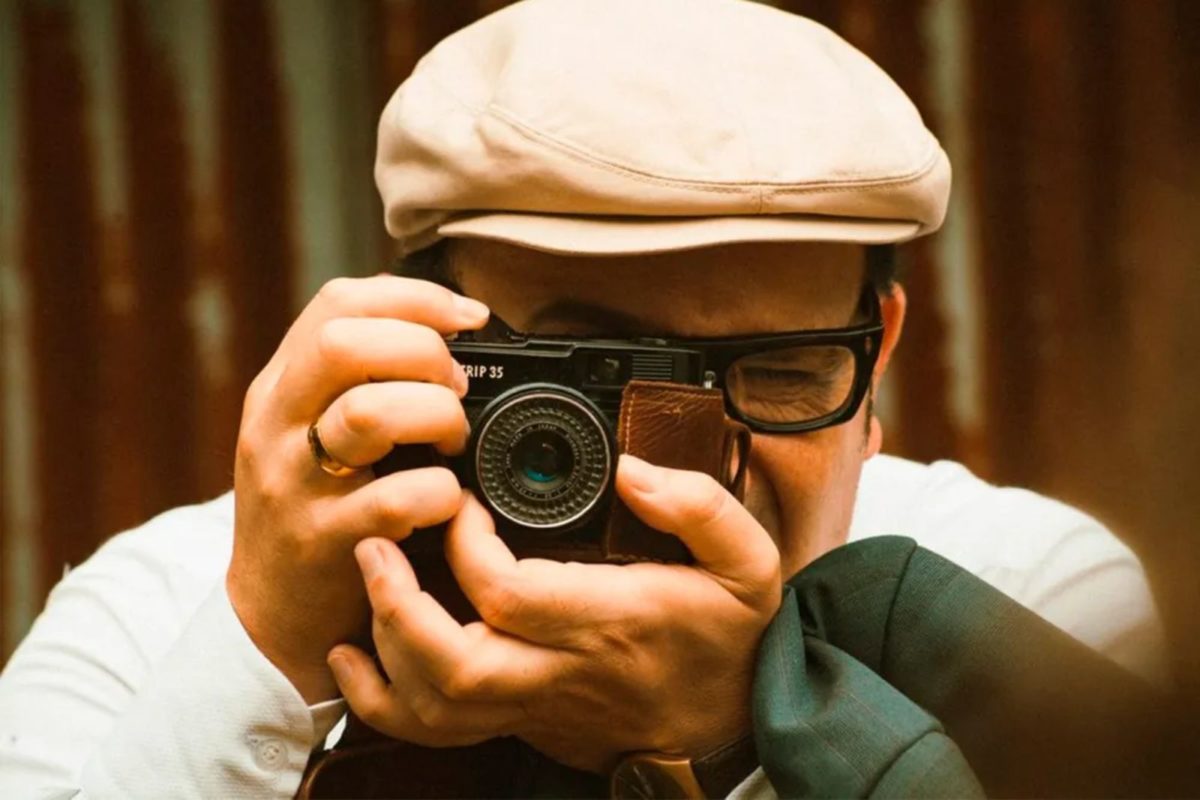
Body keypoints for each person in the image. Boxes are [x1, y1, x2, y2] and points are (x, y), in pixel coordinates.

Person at [0, 0, 1167, 797]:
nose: (687, 462)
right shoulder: (160, 614)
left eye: (779, 370)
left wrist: (740, 736)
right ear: (422, 337)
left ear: (880, 360)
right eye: (586, 379)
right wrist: (260, 658)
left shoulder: (1021, 602)